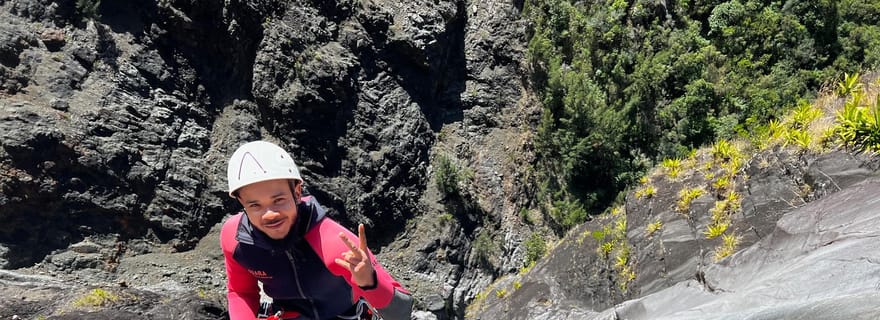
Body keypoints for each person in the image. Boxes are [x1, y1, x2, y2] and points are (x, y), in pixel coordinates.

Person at [220, 140, 413, 320]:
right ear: (241, 203)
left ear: (297, 193)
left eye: (278, 200)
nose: (269, 214)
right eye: (255, 205)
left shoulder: (334, 243)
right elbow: (240, 292)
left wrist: (370, 282)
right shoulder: (236, 239)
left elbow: (400, 311)